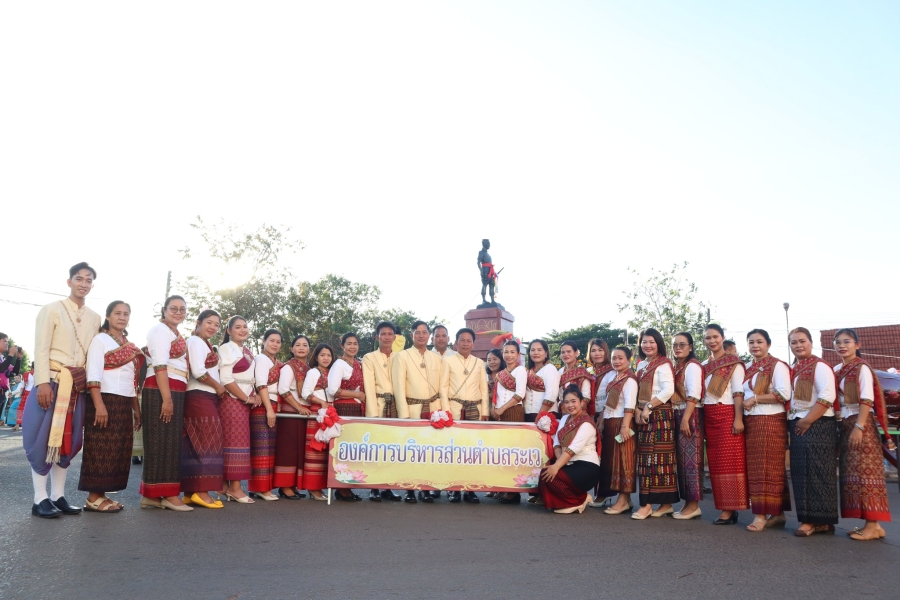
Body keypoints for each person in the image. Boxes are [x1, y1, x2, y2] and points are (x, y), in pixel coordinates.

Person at [24, 262, 101, 518]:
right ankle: (39, 498)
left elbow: (91, 355)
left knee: (68, 441)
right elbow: (41, 348)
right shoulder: (51, 310)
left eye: (88, 280)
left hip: (76, 386)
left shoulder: (94, 317)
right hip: (53, 382)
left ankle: (57, 495)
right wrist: (42, 382)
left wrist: (90, 387)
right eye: (79, 278)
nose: (83, 283)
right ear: (69, 282)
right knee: (42, 439)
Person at [79, 301, 143, 512]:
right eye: (117, 313)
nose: (122, 317)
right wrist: (99, 405)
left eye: (126, 313)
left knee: (117, 449)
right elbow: (94, 374)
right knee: (100, 447)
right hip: (104, 398)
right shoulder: (101, 340)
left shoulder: (129, 345)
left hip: (124, 401)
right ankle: (92, 497)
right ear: (108, 316)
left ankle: (103, 495)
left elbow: (132, 381)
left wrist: (136, 409)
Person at [832, 328, 892, 541]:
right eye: (837, 342)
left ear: (857, 344)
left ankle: (873, 524)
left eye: (847, 341)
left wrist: (859, 427)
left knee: (867, 474)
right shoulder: (838, 369)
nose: (842, 345)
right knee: (854, 474)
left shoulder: (861, 368)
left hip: (861, 423)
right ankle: (872, 526)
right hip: (846, 423)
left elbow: (866, 399)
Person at [140, 295, 191, 511]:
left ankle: (152, 495)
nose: (178, 312)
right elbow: (160, 366)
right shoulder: (159, 331)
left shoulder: (174, 333)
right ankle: (167, 495)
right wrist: (167, 399)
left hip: (174, 389)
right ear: (164, 310)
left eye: (182, 309)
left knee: (168, 443)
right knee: (162, 443)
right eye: (173, 308)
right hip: (162, 390)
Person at [787, 327, 838, 537]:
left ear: (811, 342)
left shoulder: (820, 366)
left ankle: (815, 521)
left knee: (817, 473)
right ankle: (816, 520)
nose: (798, 345)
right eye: (793, 342)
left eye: (802, 341)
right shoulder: (794, 368)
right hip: (798, 421)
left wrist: (807, 420)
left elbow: (827, 396)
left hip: (817, 423)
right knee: (801, 473)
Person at [742, 329, 791, 532]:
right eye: (751, 342)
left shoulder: (777, 365)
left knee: (767, 469)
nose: (755, 345)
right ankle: (777, 514)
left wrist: (756, 398)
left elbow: (784, 394)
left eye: (759, 341)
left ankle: (761, 515)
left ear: (768, 344)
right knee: (758, 469)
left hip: (771, 420)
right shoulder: (746, 367)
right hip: (752, 422)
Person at [701, 323, 748, 524]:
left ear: (722, 337)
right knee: (716, 464)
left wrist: (738, 419)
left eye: (715, 337)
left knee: (731, 462)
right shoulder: (703, 365)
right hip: (709, 415)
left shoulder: (734, 363)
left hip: (728, 412)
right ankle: (724, 506)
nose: (712, 341)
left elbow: (738, 392)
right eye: (708, 338)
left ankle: (730, 509)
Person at [393, 321, 444, 502]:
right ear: (411, 335)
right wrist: (404, 415)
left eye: (424, 332)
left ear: (429, 335)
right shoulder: (402, 356)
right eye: (417, 332)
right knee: (410, 450)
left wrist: (442, 411)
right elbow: (399, 387)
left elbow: (442, 388)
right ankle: (409, 489)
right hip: (412, 409)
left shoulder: (437, 358)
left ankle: (425, 488)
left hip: (433, 410)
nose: (421, 335)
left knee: (430, 450)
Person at [631, 328, 679, 520]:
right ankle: (665, 504)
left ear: (658, 343)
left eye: (651, 341)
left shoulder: (664, 364)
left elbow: (668, 390)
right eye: (644, 342)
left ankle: (648, 504)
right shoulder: (641, 365)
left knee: (660, 461)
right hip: (643, 414)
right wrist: (636, 409)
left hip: (659, 416)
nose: (647, 345)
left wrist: (648, 407)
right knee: (646, 461)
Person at [181, 310, 227, 509]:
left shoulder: (204, 343)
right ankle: (201, 491)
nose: (213, 327)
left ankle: (191, 492)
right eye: (209, 322)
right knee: (207, 442)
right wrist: (218, 387)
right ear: (198, 323)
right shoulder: (195, 342)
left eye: (216, 324)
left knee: (197, 442)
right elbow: (198, 372)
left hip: (203, 396)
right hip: (200, 395)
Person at [439, 328, 488, 503]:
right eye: (462, 340)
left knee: (473, 450)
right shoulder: (448, 361)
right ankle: (453, 489)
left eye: (469, 340)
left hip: (475, 409)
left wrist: (484, 412)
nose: (465, 343)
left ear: (473, 343)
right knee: (453, 449)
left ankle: (470, 489)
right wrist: (446, 411)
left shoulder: (479, 362)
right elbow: (443, 387)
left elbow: (483, 387)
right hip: (454, 407)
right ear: (456, 343)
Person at [539, 385, 602, 514]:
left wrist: (556, 467)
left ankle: (580, 499)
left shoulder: (586, 423)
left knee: (553, 476)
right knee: (545, 475)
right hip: (569, 463)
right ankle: (572, 500)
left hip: (587, 467)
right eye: (566, 402)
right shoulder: (564, 419)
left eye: (573, 401)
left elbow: (573, 449)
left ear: (581, 402)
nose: (570, 405)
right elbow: (557, 443)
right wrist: (558, 463)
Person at [361, 321, 402, 502]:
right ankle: (373, 487)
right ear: (377, 337)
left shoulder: (400, 357)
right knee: (375, 447)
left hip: (394, 405)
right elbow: (369, 386)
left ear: (395, 337)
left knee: (392, 447)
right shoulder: (369, 357)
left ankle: (388, 486)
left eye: (389, 334)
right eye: (383, 334)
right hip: (377, 403)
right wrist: (372, 413)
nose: (386, 337)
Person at [218, 316, 257, 504]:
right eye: (238, 327)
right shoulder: (226, 349)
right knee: (235, 443)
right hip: (232, 400)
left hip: (243, 401)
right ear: (229, 331)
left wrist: (253, 395)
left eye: (245, 326)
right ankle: (234, 488)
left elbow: (249, 377)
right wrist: (246, 398)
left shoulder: (246, 351)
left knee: (237, 442)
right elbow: (225, 379)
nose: (242, 330)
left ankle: (225, 486)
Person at [597, 346, 638, 515]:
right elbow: (606, 403)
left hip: (622, 422)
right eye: (614, 358)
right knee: (614, 462)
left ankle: (622, 500)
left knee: (624, 461)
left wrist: (625, 426)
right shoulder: (614, 377)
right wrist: (601, 421)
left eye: (621, 358)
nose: (617, 361)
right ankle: (625, 500)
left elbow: (630, 405)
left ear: (629, 360)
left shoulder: (629, 380)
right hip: (610, 422)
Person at [671, 332, 705, 520]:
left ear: (690, 347)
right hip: (679, 413)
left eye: (682, 344)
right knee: (683, 461)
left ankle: (694, 505)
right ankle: (687, 503)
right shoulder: (678, 366)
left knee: (692, 461)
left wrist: (685, 419)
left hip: (690, 414)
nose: (678, 348)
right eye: (675, 345)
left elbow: (694, 394)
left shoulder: (692, 366)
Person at [275, 334, 313, 499]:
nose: (301, 348)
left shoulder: (310, 369)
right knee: (288, 450)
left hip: (303, 414)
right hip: (290, 413)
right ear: (291, 349)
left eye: (305, 345)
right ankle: (284, 487)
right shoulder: (288, 367)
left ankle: (292, 485)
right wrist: (298, 408)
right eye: (298, 345)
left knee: (298, 450)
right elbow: (283, 390)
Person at [249, 329, 283, 501]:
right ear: (264, 341)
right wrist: (269, 409)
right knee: (262, 447)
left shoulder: (276, 361)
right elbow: (261, 384)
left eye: (278, 342)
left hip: (272, 404)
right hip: (264, 404)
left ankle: (263, 487)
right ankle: (260, 488)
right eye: (272, 340)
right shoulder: (262, 359)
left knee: (269, 447)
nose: (275, 344)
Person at [492, 339, 527, 504]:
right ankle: (503, 487)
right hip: (501, 414)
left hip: (513, 412)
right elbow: (497, 395)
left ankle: (514, 492)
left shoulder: (520, 370)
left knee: (513, 452)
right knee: (502, 452)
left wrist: (502, 409)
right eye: (506, 352)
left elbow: (519, 394)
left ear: (518, 355)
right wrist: (494, 409)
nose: (509, 355)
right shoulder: (501, 373)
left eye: (512, 352)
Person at [301, 343, 336, 502]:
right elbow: (306, 393)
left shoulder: (332, 373)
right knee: (314, 451)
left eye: (328, 355)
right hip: (318, 413)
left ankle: (320, 487)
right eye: (322, 355)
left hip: (330, 413)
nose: (326, 358)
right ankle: (313, 488)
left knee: (326, 453)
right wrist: (322, 403)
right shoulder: (313, 372)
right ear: (316, 357)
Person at [327, 332, 366, 417]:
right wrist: (358, 395)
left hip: (359, 408)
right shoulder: (339, 364)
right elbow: (333, 390)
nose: (352, 347)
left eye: (355, 344)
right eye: (349, 344)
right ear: (342, 346)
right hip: (344, 409)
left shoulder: (359, 364)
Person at [523, 339, 560, 423]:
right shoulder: (528, 371)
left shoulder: (550, 368)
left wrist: (540, 415)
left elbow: (551, 394)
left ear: (546, 353)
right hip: (528, 414)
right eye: (533, 350)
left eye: (539, 350)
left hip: (546, 415)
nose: (536, 353)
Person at [559, 340, 596, 415]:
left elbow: (586, 397)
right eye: (563, 352)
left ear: (576, 353)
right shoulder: (560, 372)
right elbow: (559, 395)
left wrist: (574, 411)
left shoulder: (582, 372)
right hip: (563, 411)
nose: (566, 354)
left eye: (569, 351)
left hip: (579, 413)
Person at [15, 364, 34, 430]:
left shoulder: (26, 374)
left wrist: (20, 393)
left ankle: (18, 424)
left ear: (31, 367)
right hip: (35, 393)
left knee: (22, 408)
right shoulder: (41, 374)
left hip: (27, 392)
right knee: (33, 409)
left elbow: (23, 385)